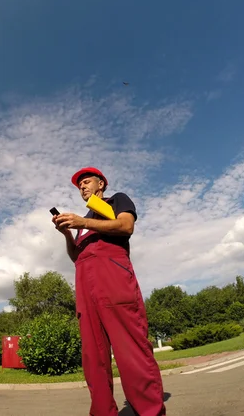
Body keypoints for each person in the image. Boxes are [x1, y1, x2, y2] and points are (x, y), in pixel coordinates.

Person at [52, 167, 166, 416]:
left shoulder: (116, 201)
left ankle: (150, 411)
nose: (81, 186)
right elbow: (75, 256)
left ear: (101, 183)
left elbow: (126, 227)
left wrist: (83, 221)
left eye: (86, 181)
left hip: (114, 282)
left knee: (131, 351)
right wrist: (68, 234)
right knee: (94, 357)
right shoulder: (83, 222)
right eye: (78, 184)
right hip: (86, 289)